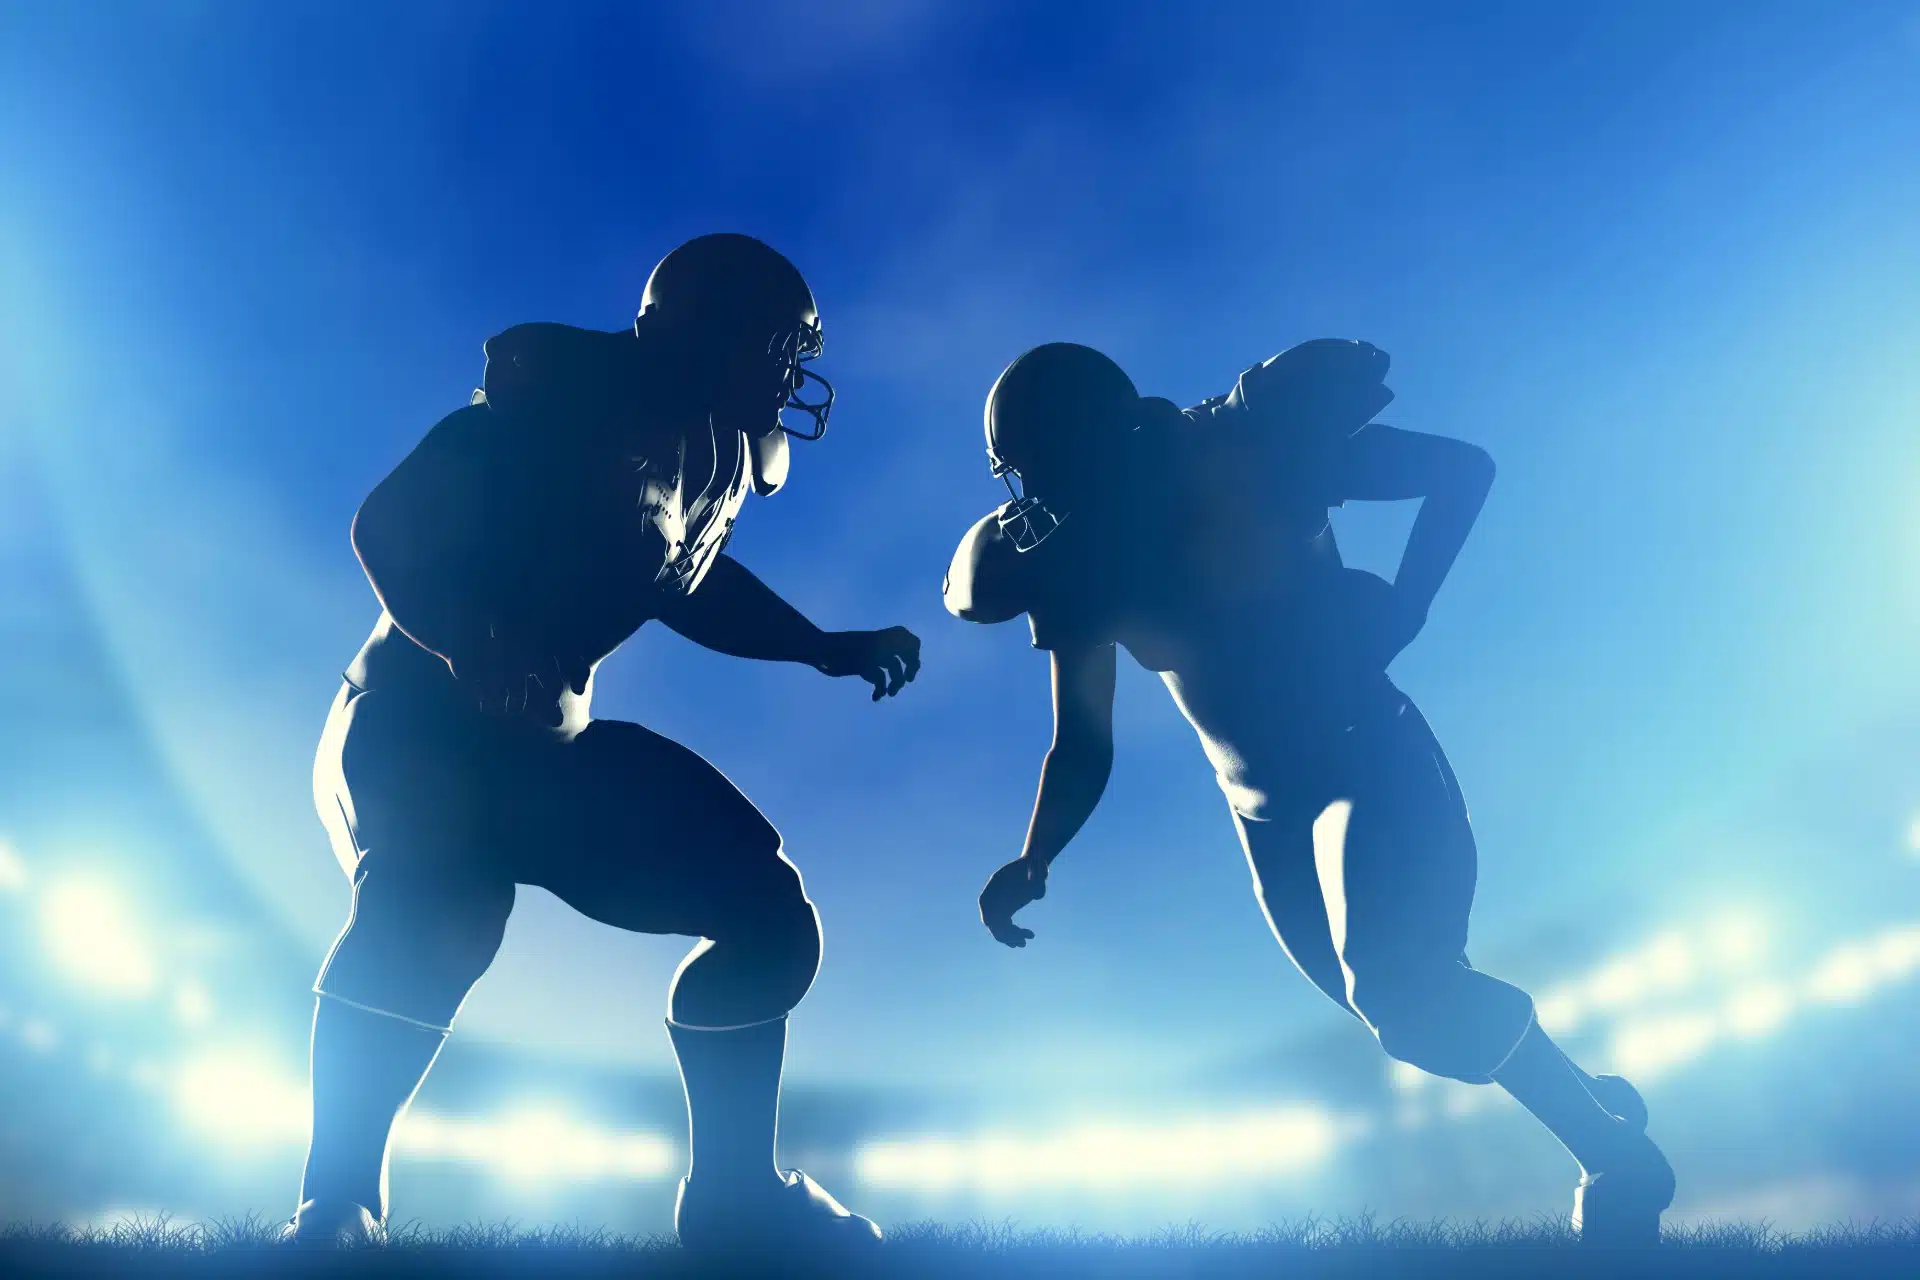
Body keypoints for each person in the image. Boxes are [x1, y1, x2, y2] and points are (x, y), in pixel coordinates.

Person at [942, 340, 1675, 1244]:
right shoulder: (1082, 555)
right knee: (1411, 1012)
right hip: (1264, 817)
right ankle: (1585, 1098)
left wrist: (1409, 605)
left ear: (1089, 446)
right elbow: (1085, 740)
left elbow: (1460, 470)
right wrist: (1037, 853)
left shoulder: (1238, 448)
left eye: (1044, 471)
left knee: (1408, 1003)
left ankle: (1614, 1156)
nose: (1035, 503)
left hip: (1366, 760)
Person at [288, 233, 916, 1254]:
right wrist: (465, 639)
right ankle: (338, 1198)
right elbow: (389, 523)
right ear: (712, 338)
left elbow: (687, 579)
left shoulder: (709, 448)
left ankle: (733, 1194)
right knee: (439, 901)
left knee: (765, 913)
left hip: (546, 752)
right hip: (416, 724)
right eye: (774, 348)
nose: (789, 377)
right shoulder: (557, 402)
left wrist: (821, 646)